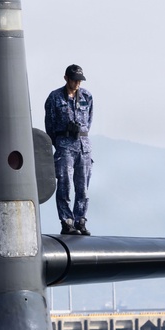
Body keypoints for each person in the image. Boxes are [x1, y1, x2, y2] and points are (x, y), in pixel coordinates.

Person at [44, 65, 93, 235]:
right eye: (74, 79)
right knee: (64, 185)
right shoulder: (55, 97)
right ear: (66, 78)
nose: (77, 83)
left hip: (83, 146)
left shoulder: (87, 96)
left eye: (79, 80)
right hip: (65, 146)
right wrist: (60, 141)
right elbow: (49, 125)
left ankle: (81, 220)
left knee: (83, 188)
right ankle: (67, 221)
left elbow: (89, 120)